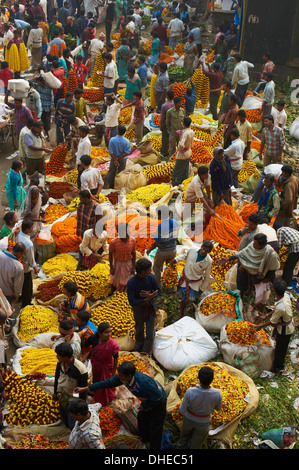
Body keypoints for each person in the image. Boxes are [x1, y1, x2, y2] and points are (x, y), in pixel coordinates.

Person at [74, 360, 167, 449]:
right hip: (147, 399)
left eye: (121, 375)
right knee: (142, 419)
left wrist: (145, 406)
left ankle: (154, 446)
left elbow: (158, 397)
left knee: (155, 427)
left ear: (129, 375)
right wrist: (86, 388)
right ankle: (144, 439)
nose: (119, 377)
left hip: (158, 402)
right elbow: (107, 383)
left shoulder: (143, 383)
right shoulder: (122, 378)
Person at [219, 233, 280, 300]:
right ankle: (242, 294)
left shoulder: (271, 254)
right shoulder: (252, 245)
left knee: (261, 294)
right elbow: (243, 253)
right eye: (254, 242)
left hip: (262, 272)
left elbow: (273, 267)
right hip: (250, 268)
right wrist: (228, 259)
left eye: (255, 244)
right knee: (242, 278)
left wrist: (268, 278)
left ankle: (256, 301)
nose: (253, 244)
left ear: (262, 245)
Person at [254, 278, 295, 374]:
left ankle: (278, 368)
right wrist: (266, 316)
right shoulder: (285, 296)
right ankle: (279, 359)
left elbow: (273, 322)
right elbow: (275, 309)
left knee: (280, 349)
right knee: (281, 346)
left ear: (274, 290)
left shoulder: (282, 306)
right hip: (285, 322)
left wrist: (261, 325)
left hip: (286, 330)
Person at [177, 365, 222, 449]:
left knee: (184, 438)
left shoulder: (190, 391)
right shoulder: (217, 393)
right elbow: (218, 408)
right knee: (196, 445)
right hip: (203, 423)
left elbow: (181, 410)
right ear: (212, 379)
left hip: (188, 420)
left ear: (198, 378)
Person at [172, 241, 213, 319]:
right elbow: (185, 256)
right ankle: (180, 315)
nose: (203, 252)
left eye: (206, 251)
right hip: (186, 278)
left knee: (195, 298)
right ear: (201, 246)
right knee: (184, 299)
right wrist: (176, 259)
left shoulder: (208, 261)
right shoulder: (193, 249)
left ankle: (193, 311)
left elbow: (207, 276)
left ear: (209, 252)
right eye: (203, 249)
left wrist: (202, 288)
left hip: (196, 282)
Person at [127, 257, 160, 353]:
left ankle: (145, 351)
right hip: (138, 309)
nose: (151, 270)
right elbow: (131, 301)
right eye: (149, 269)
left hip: (150, 307)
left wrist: (152, 296)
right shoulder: (131, 283)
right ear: (142, 271)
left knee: (150, 332)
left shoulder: (151, 277)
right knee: (139, 329)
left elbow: (158, 290)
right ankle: (139, 346)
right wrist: (145, 300)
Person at [82, 322, 120, 406]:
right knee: (97, 381)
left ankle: (105, 401)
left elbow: (116, 359)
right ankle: (97, 397)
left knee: (106, 385)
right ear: (100, 333)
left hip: (107, 367)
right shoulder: (93, 338)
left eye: (110, 332)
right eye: (106, 332)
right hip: (96, 365)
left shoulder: (113, 344)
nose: (109, 334)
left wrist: (113, 373)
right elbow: (85, 345)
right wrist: (82, 335)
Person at [53, 342, 88, 429]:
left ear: (65, 357)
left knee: (72, 423)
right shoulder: (60, 363)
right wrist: (55, 392)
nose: (57, 357)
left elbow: (83, 390)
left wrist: (80, 406)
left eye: (58, 355)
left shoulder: (80, 369)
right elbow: (57, 377)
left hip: (73, 398)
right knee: (64, 416)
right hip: (62, 394)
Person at [147, 205, 178, 288]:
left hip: (163, 251)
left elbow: (157, 242)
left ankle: (158, 286)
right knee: (170, 268)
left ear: (161, 215)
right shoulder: (174, 221)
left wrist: (149, 250)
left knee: (156, 267)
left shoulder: (161, 226)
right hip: (173, 250)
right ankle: (170, 286)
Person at [17, 219, 39, 307]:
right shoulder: (28, 243)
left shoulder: (19, 233)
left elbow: (20, 221)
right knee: (27, 285)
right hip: (25, 266)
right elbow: (31, 259)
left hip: (19, 262)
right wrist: (35, 267)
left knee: (21, 282)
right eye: (31, 228)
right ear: (26, 229)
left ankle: (21, 296)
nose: (32, 229)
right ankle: (26, 303)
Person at [109, 222, 136, 292]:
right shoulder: (113, 242)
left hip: (128, 264)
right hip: (118, 264)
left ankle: (124, 292)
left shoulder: (132, 240)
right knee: (115, 279)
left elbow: (134, 254)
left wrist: (133, 267)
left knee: (127, 280)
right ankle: (113, 293)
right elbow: (110, 255)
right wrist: (111, 267)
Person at [106, 124, 131, 189]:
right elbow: (127, 152)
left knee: (111, 172)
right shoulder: (127, 141)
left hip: (113, 158)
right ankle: (119, 186)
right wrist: (119, 158)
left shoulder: (112, 140)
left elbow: (111, 151)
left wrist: (115, 159)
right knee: (121, 172)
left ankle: (109, 185)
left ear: (118, 131)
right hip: (122, 159)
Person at [274, 164, 299, 229]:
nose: (282, 173)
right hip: (293, 202)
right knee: (288, 219)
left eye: (283, 172)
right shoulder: (295, 178)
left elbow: (288, 199)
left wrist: (282, 204)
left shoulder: (288, 185)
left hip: (286, 206)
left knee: (280, 221)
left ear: (287, 173)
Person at [171, 116, 194, 186]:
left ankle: (175, 185)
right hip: (189, 152)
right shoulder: (191, 131)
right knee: (185, 170)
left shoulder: (185, 133)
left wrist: (180, 148)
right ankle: (184, 183)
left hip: (183, 154)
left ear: (183, 123)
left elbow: (181, 145)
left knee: (177, 171)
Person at [160, 89, 174, 158]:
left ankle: (164, 152)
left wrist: (161, 125)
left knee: (165, 138)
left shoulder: (164, 106)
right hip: (173, 124)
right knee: (172, 138)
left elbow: (162, 117)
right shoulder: (175, 104)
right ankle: (172, 152)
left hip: (166, 124)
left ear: (167, 96)